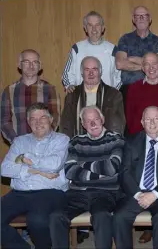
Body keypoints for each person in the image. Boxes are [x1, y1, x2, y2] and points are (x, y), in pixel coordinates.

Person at [50, 106, 124, 249]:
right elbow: (70, 171)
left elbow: (112, 168)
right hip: (77, 193)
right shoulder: (76, 141)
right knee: (56, 216)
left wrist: (82, 165)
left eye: (96, 119)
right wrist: (100, 173)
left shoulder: (116, 139)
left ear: (102, 120)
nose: (93, 124)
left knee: (101, 216)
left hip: (106, 193)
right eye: (88, 121)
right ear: (83, 124)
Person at [114, 106, 158, 249]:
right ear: (142, 122)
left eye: (156, 118)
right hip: (137, 192)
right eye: (148, 119)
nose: (152, 123)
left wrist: (154, 194)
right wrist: (139, 194)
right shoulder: (131, 141)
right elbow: (124, 172)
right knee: (119, 217)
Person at [1, 103, 69, 249]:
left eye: (42, 117)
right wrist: (37, 171)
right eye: (33, 119)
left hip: (50, 192)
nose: (38, 122)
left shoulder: (61, 139)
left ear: (51, 120)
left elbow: (54, 164)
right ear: (28, 122)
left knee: (37, 220)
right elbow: (5, 169)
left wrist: (25, 158)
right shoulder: (20, 141)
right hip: (19, 193)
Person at [1, 49, 61, 144]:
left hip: (44, 145)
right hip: (18, 146)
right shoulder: (8, 91)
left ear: (40, 66)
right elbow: (4, 121)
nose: (31, 66)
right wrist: (18, 142)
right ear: (19, 65)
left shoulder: (50, 89)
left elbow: (55, 118)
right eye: (26, 62)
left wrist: (43, 139)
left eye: (35, 62)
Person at [60, 56, 125, 138]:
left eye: (94, 69)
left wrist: (111, 144)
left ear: (100, 72)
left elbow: (117, 126)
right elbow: (66, 125)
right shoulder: (72, 95)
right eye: (87, 70)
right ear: (82, 73)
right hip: (77, 145)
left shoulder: (113, 95)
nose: (91, 73)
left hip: (106, 145)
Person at [115, 6, 158, 108]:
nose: (141, 18)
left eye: (144, 16)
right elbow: (120, 64)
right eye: (138, 16)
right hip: (128, 89)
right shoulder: (125, 39)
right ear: (133, 20)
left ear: (150, 19)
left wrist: (131, 59)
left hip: (151, 88)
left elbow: (157, 65)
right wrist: (148, 65)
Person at [62, 11, 121, 92]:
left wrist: (113, 93)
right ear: (85, 28)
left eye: (97, 25)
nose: (94, 29)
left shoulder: (113, 49)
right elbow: (67, 74)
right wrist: (69, 85)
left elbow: (120, 76)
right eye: (90, 25)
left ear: (103, 27)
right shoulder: (77, 48)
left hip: (106, 100)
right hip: (82, 98)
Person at [126, 52, 158, 136]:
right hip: (140, 138)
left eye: (154, 63)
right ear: (142, 68)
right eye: (147, 64)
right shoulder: (133, 89)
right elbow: (129, 118)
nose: (151, 68)